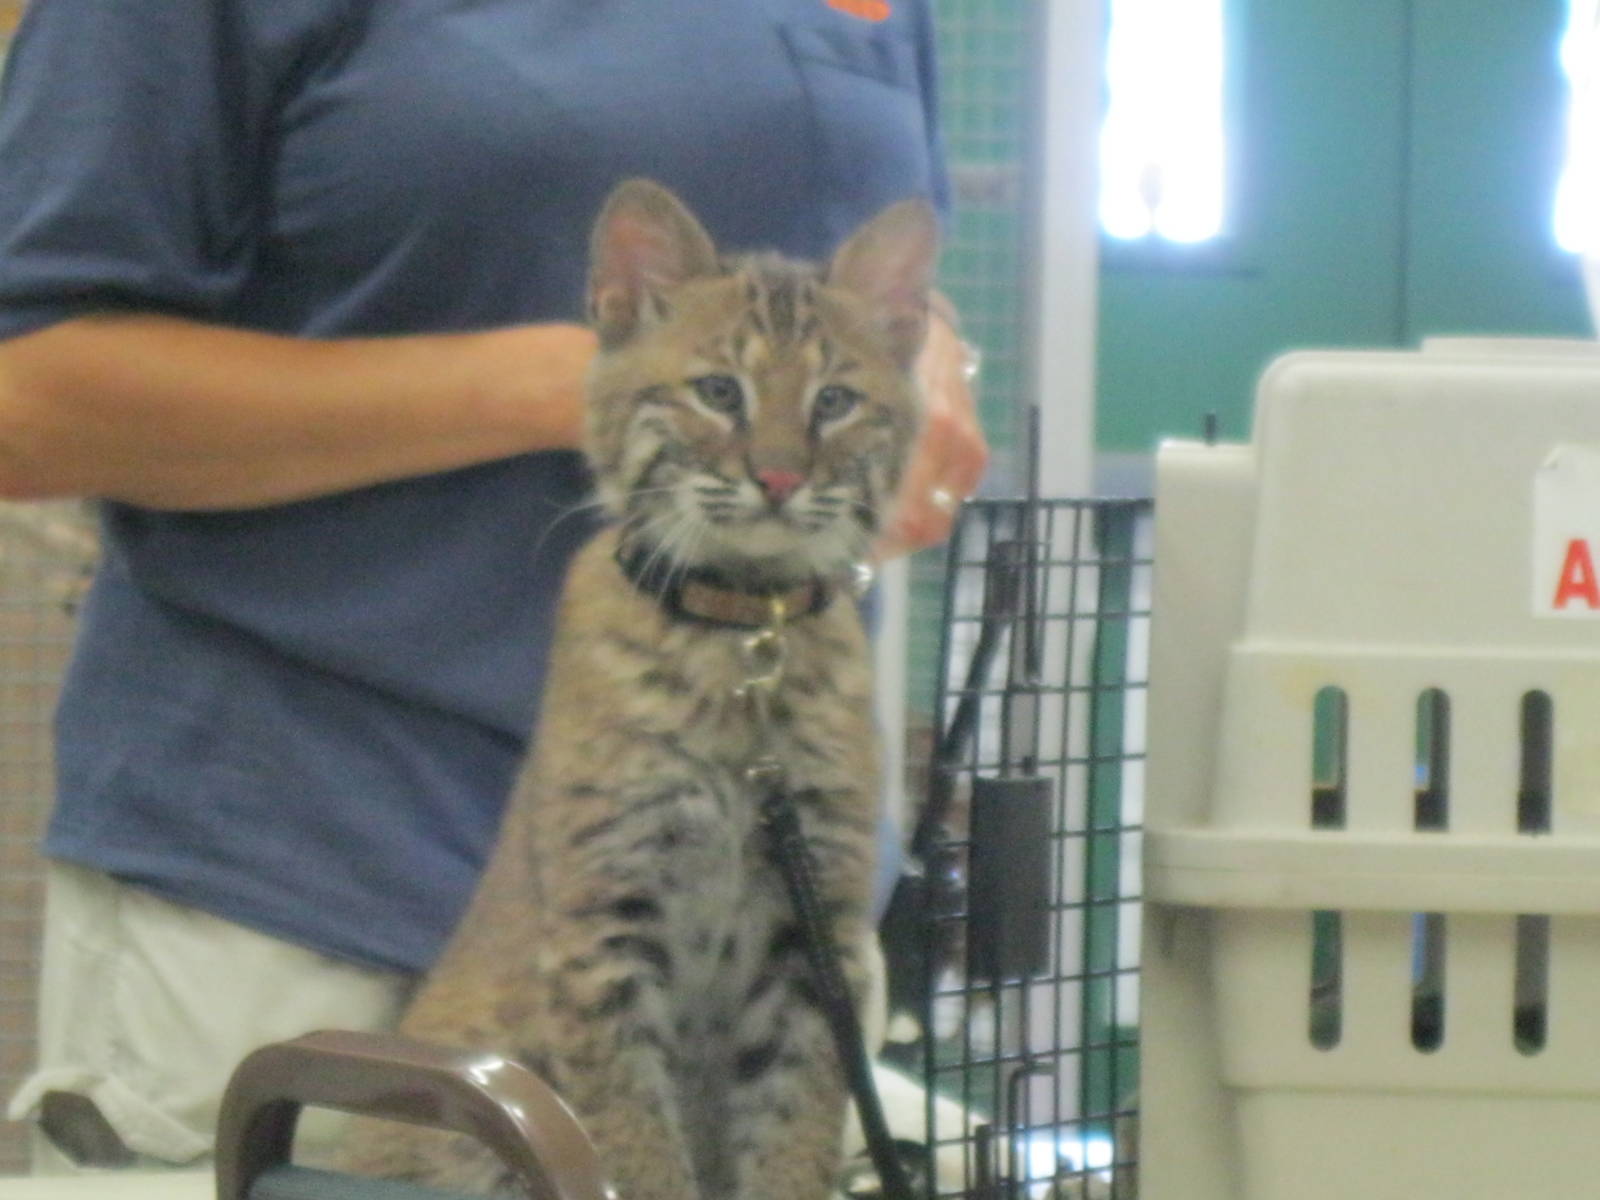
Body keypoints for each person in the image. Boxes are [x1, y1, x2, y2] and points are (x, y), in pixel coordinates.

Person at [0, 0, 988, 1173]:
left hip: (758, 930)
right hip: (318, 898)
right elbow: (26, 398)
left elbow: (846, 244)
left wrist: (917, 352)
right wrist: (564, 380)